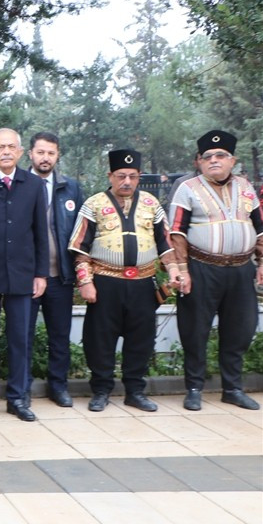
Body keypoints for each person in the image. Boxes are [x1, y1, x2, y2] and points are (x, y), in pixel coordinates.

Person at [68, 149, 175, 413]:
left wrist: (173, 269)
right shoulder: (93, 204)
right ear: (110, 176)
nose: (127, 181)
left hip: (143, 283)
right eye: (121, 176)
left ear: (139, 176)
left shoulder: (151, 204)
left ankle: (135, 391)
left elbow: (165, 243)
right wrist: (85, 282)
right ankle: (101, 390)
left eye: (132, 176)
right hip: (105, 282)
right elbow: (80, 248)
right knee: (100, 339)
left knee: (141, 339)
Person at [168, 130, 263, 411]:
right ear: (199, 161)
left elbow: (260, 228)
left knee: (240, 329)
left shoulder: (245, 187)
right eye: (207, 156)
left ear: (233, 160)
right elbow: (176, 233)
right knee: (195, 330)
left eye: (221, 155)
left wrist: (262, 263)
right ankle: (194, 388)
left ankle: (232, 388)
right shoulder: (187, 188)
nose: (213, 160)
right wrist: (182, 270)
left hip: (241, 270)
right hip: (202, 269)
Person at [0, 129, 48, 423]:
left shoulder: (33, 184)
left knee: (20, 340)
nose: (5, 152)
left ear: (20, 152)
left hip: (22, 276)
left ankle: (18, 398)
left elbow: (40, 233)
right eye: (0, 147)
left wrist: (41, 273)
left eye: (11, 147)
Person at [26, 132, 83, 407]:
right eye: (40, 152)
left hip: (60, 276)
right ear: (30, 154)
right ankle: (21, 387)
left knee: (59, 336)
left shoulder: (71, 188)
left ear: (58, 155)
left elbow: (81, 232)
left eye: (50, 153)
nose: (45, 158)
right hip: (26, 278)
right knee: (22, 336)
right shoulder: (18, 184)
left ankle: (58, 386)